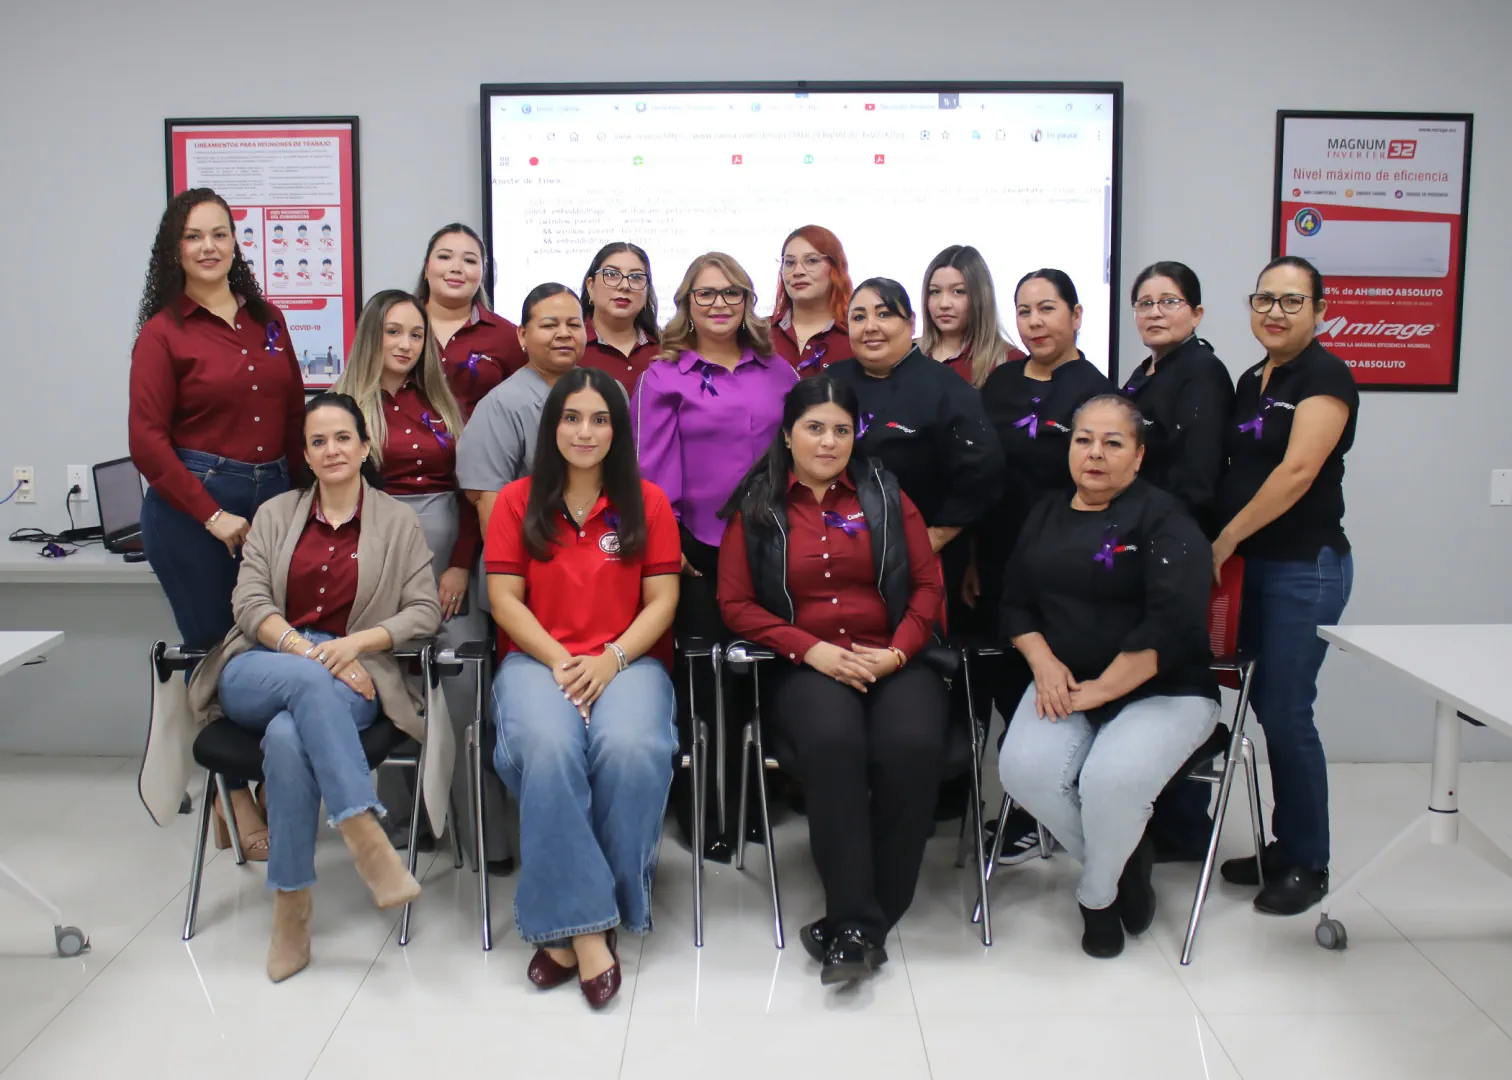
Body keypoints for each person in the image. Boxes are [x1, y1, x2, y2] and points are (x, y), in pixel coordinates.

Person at [186, 393, 442, 982]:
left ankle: (291, 908)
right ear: (304, 454)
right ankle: (365, 836)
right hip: (263, 662)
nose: (332, 450)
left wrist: (354, 646)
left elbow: (424, 611)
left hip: (355, 671)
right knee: (305, 685)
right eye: (318, 441)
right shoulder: (276, 514)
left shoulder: (397, 522)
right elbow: (249, 603)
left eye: (343, 438)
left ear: (365, 446)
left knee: (286, 736)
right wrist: (312, 655)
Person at [718, 376, 948, 986]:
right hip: (809, 663)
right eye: (814, 428)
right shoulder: (758, 504)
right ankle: (857, 921)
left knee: (913, 745)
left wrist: (897, 653)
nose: (828, 442)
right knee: (834, 744)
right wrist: (810, 649)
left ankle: (859, 924)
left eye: (841, 430)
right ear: (787, 435)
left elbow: (928, 585)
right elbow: (736, 604)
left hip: (892, 655)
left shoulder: (885, 493)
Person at [484, 367, 680, 1010]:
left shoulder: (648, 502)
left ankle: (573, 923)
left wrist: (611, 659)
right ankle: (593, 928)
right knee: (549, 748)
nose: (585, 432)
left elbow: (663, 600)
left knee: (632, 749)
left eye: (600, 419)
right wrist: (562, 659)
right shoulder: (516, 501)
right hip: (538, 660)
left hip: (628, 660)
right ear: (552, 427)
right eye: (571, 418)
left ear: (618, 430)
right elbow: (504, 600)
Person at [998, 394, 1219, 959]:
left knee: (1110, 782)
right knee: (1023, 771)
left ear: (1139, 456)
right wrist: (1044, 664)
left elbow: (1171, 622)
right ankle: (1126, 857)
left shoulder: (1165, 518)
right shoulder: (1044, 513)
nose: (1095, 453)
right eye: (1083, 440)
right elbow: (1015, 605)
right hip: (1067, 682)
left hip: (1164, 688)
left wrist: (1100, 691)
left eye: (1113, 443)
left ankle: (1098, 897)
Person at [129, 187, 305, 861]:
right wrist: (211, 514)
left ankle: (268, 780)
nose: (208, 246)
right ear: (174, 251)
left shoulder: (268, 319)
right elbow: (147, 443)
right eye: (193, 236)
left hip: (273, 497)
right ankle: (233, 794)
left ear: (236, 242)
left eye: (219, 234)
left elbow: (294, 416)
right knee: (217, 655)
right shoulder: (163, 332)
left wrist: (306, 504)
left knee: (274, 647)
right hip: (193, 506)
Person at [631, 252, 797, 854]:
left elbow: (800, 454)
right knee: (702, 684)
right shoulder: (663, 375)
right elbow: (648, 471)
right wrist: (668, 544)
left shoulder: (780, 371)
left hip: (772, 546)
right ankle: (701, 810)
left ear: (749, 301)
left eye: (732, 293)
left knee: (763, 676)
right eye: (705, 294)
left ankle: (754, 804)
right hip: (695, 548)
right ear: (686, 304)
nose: (719, 304)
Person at [1215, 255, 1357, 916]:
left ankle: (1307, 860)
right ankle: (1283, 844)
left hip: (1304, 567)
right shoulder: (1253, 377)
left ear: (1320, 311)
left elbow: (1297, 473)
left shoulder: (1325, 377)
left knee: (1288, 710)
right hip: (1255, 568)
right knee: (1266, 706)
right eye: (1265, 299)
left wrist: (1226, 538)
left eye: (1292, 301)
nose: (1275, 312)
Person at [973, 268, 1113, 862]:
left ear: (1076, 316)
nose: (1034, 322)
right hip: (998, 555)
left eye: (1047, 308)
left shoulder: (1096, 391)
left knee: (1053, 686)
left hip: (1065, 565)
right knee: (1006, 682)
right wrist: (972, 556)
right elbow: (981, 472)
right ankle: (1027, 807)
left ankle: (1046, 811)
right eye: (1025, 311)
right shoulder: (1001, 382)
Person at [334, 290, 480, 851]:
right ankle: (405, 819)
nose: (405, 344)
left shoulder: (441, 402)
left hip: (449, 555)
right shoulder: (347, 407)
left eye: (416, 334)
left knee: (460, 681)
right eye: (393, 332)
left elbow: (470, 493)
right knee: (393, 683)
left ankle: (467, 816)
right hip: (380, 558)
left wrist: (461, 564)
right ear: (372, 336)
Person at [455, 283, 588, 870]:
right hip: (528, 594)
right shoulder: (504, 405)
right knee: (533, 718)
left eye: (573, 323)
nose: (563, 334)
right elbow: (490, 506)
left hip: (591, 592)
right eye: (548, 324)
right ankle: (523, 835)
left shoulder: (596, 395)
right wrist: (530, 588)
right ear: (522, 334)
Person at [1120, 261, 1236, 862]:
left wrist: (1155, 539)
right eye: (1144, 303)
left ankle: (1185, 827)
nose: (1155, 312)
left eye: (1169, 301)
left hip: (1174, 546)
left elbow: (1196, 477)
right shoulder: (1147, 371)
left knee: (1174, 679)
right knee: (1146, 682)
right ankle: (1153, 816)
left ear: (1196, 312)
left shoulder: (1201, 372)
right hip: (1140, 544)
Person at [415, 223, 526, 419]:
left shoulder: (508, 337)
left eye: (469, 260)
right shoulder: (394, 327)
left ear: (482, 275)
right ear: (426, 269)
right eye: (445, 257)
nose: (456, 268)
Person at [918, 244, 1024, 387]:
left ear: (980, 297)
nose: (944, 304)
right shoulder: (906, 355)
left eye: (958, 291)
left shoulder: (1010, 362)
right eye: (935, 292)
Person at [579, 242, 662, 397]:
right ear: (590, 286)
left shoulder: (665, 350)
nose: (625, 286)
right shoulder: (573, 346)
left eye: (636, 277)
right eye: (611, 274)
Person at [769, 226, 854, 377]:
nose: (798, 272)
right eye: (789, 263)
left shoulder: (856, 335)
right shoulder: (759, 333)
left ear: (835, 268)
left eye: (811, 261)